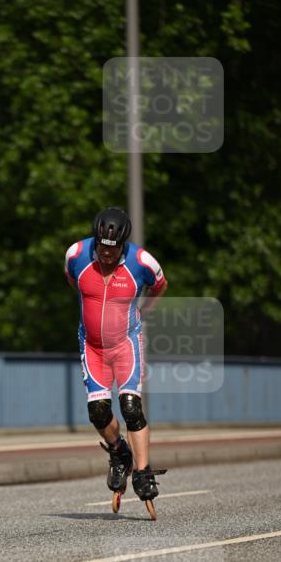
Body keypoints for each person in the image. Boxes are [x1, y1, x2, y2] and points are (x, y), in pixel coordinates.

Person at [64, 206, 168, 502]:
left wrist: (144, 309)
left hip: (126, 343)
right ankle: (120, 452)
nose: (106, 253)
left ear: (124, 244)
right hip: (93, 346)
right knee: (97, 411)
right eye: (102, 246)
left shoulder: (142, 261)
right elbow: (72, 281)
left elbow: (160, 286)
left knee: (131, 406)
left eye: (113, 248)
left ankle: (143, 472)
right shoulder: (76, 255)